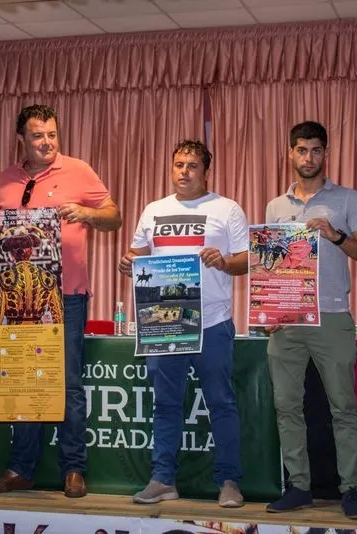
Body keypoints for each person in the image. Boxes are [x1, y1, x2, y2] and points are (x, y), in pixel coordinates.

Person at [0, 104, 122, 498]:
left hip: (65, 295)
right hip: (16, 298)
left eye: (52, 134)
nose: (47, 143)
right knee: (22, 380)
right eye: (38, 135)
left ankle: (73, 469)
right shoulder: (6, 179)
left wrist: (86, 212)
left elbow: (114, 216)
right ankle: (20, 469)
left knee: (69, 383)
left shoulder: (79, 170)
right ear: (21, 138)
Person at [118, 139, 247, 508]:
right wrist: (128, 262)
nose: (184, 172)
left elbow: (246, 260)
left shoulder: (227, 209)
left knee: (221, 403)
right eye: (178, 165)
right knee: (166, 405)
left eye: (192, 165)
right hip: (164, 322)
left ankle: (229, 482)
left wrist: (223, 261)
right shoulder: (153, 210)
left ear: (206, 171)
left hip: (212, 322)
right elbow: (138, 254)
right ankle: (162, 479)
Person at [263, 121, 357, 519]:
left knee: (343, 406)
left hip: (331, 315)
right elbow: (270, 267)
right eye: (301, 150)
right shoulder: (275, 207)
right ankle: (299, 486)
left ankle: (351, 490)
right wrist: (268, 308)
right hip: (288, 320)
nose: (308, 157)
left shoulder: (347, 199)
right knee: (286, 406)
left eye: (315, 150)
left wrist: (337, 236)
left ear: (326, 153)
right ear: (290, 154)